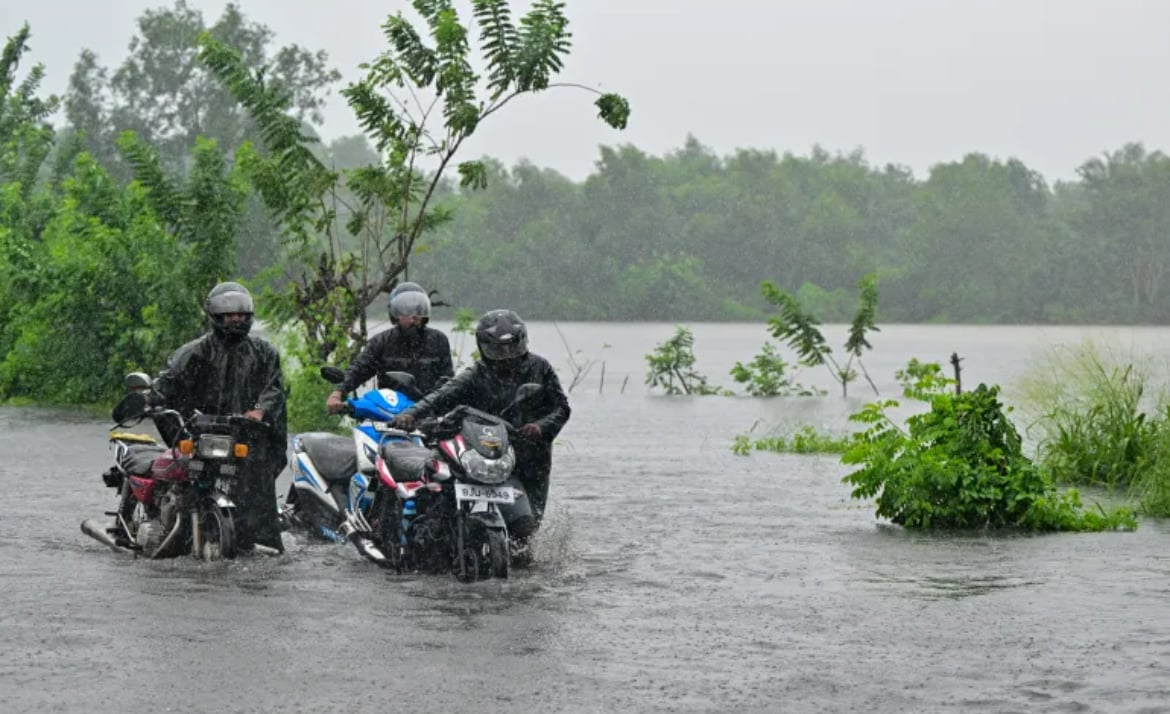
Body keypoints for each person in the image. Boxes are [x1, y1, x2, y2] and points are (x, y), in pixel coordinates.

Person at [390, 309, 570, 539]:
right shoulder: (477, 373)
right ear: (484, 347)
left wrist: (541, 426)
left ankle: (521, 560)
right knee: (443, 484)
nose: (506, 355)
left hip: (531, 454)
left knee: (527, 526)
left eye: (511, 346)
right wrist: (411, 414)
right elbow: (442, 395)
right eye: (498, 349)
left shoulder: (539, 368)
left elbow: (561, 408)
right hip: (487, 448)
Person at [151, 281, 288, 553]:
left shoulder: (264, 352)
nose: (236, 319)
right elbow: (166, 384)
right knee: (187, 478)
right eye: (230, 315)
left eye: (242, 315)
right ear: (216, 317)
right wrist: (150, 398)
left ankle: (259, 542)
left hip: (246, 435)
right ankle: (173, 528)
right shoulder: (194, 352)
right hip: (201, 431)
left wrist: (260, 410)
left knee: (258, 490)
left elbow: (274, 390)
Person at [325, 281, 454, 413]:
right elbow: (359, 369)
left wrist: (436, 405)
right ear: (395, 314)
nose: (413, 317)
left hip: (428, 415)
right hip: (388, 414)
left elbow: (448, 380)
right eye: (406, 311)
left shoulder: (438, 340)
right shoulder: (381, 341)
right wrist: (338, 393)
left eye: (418, 310)